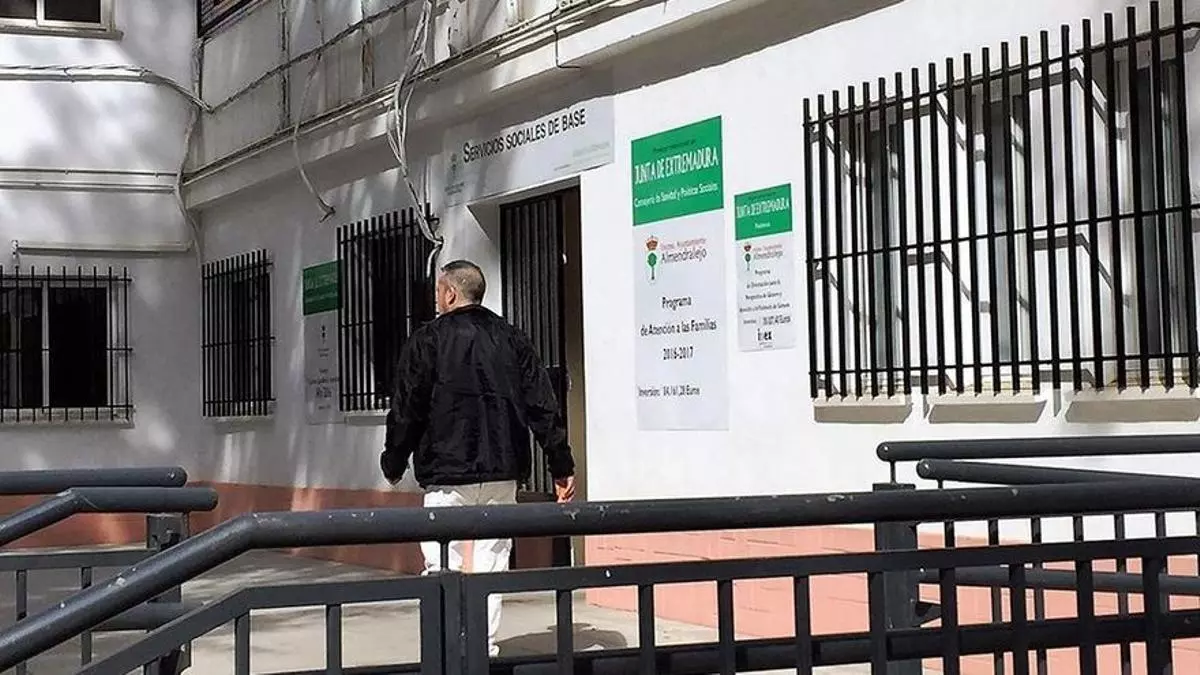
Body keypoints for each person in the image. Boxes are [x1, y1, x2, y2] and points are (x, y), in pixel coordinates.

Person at [380, 259, 575, 658]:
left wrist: (394, 462)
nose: (436, 298)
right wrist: (560, 463)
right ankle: (482, 650)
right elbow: (542, 404)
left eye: (438, 291)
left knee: (441, 560)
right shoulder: (513, 338)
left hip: (447, 471)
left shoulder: (427, 341)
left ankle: (447, 648)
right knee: (492, 560)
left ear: (450, 293)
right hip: (502, 468)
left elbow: (407, 408)